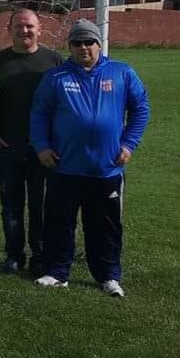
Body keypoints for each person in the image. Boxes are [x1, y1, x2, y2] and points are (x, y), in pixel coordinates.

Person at [31, 20, 150, 297]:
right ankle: (56, 272)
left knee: (105, 227)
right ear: (69, 46)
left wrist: (129, 144)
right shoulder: (56, 78)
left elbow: (141, 108)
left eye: (89, 42)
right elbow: (39, 115)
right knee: (59, 223)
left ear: (99, 44)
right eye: (77, 43)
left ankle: (108, 276)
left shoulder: (122, 73)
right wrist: (42, 147)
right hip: (64, 166)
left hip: (106, 169)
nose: (83, 47)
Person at [0, 9, 62, 274]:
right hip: (7, 147)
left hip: (42, 149)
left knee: (41, 206)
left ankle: (40, 256)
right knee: (11, 206)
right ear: (9, 29)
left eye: (30, 26)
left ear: (40, 29)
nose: (25, 31)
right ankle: (14, 255)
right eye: (19, 26)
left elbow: (63, 104)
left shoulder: (53, 60)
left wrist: (56, 141)